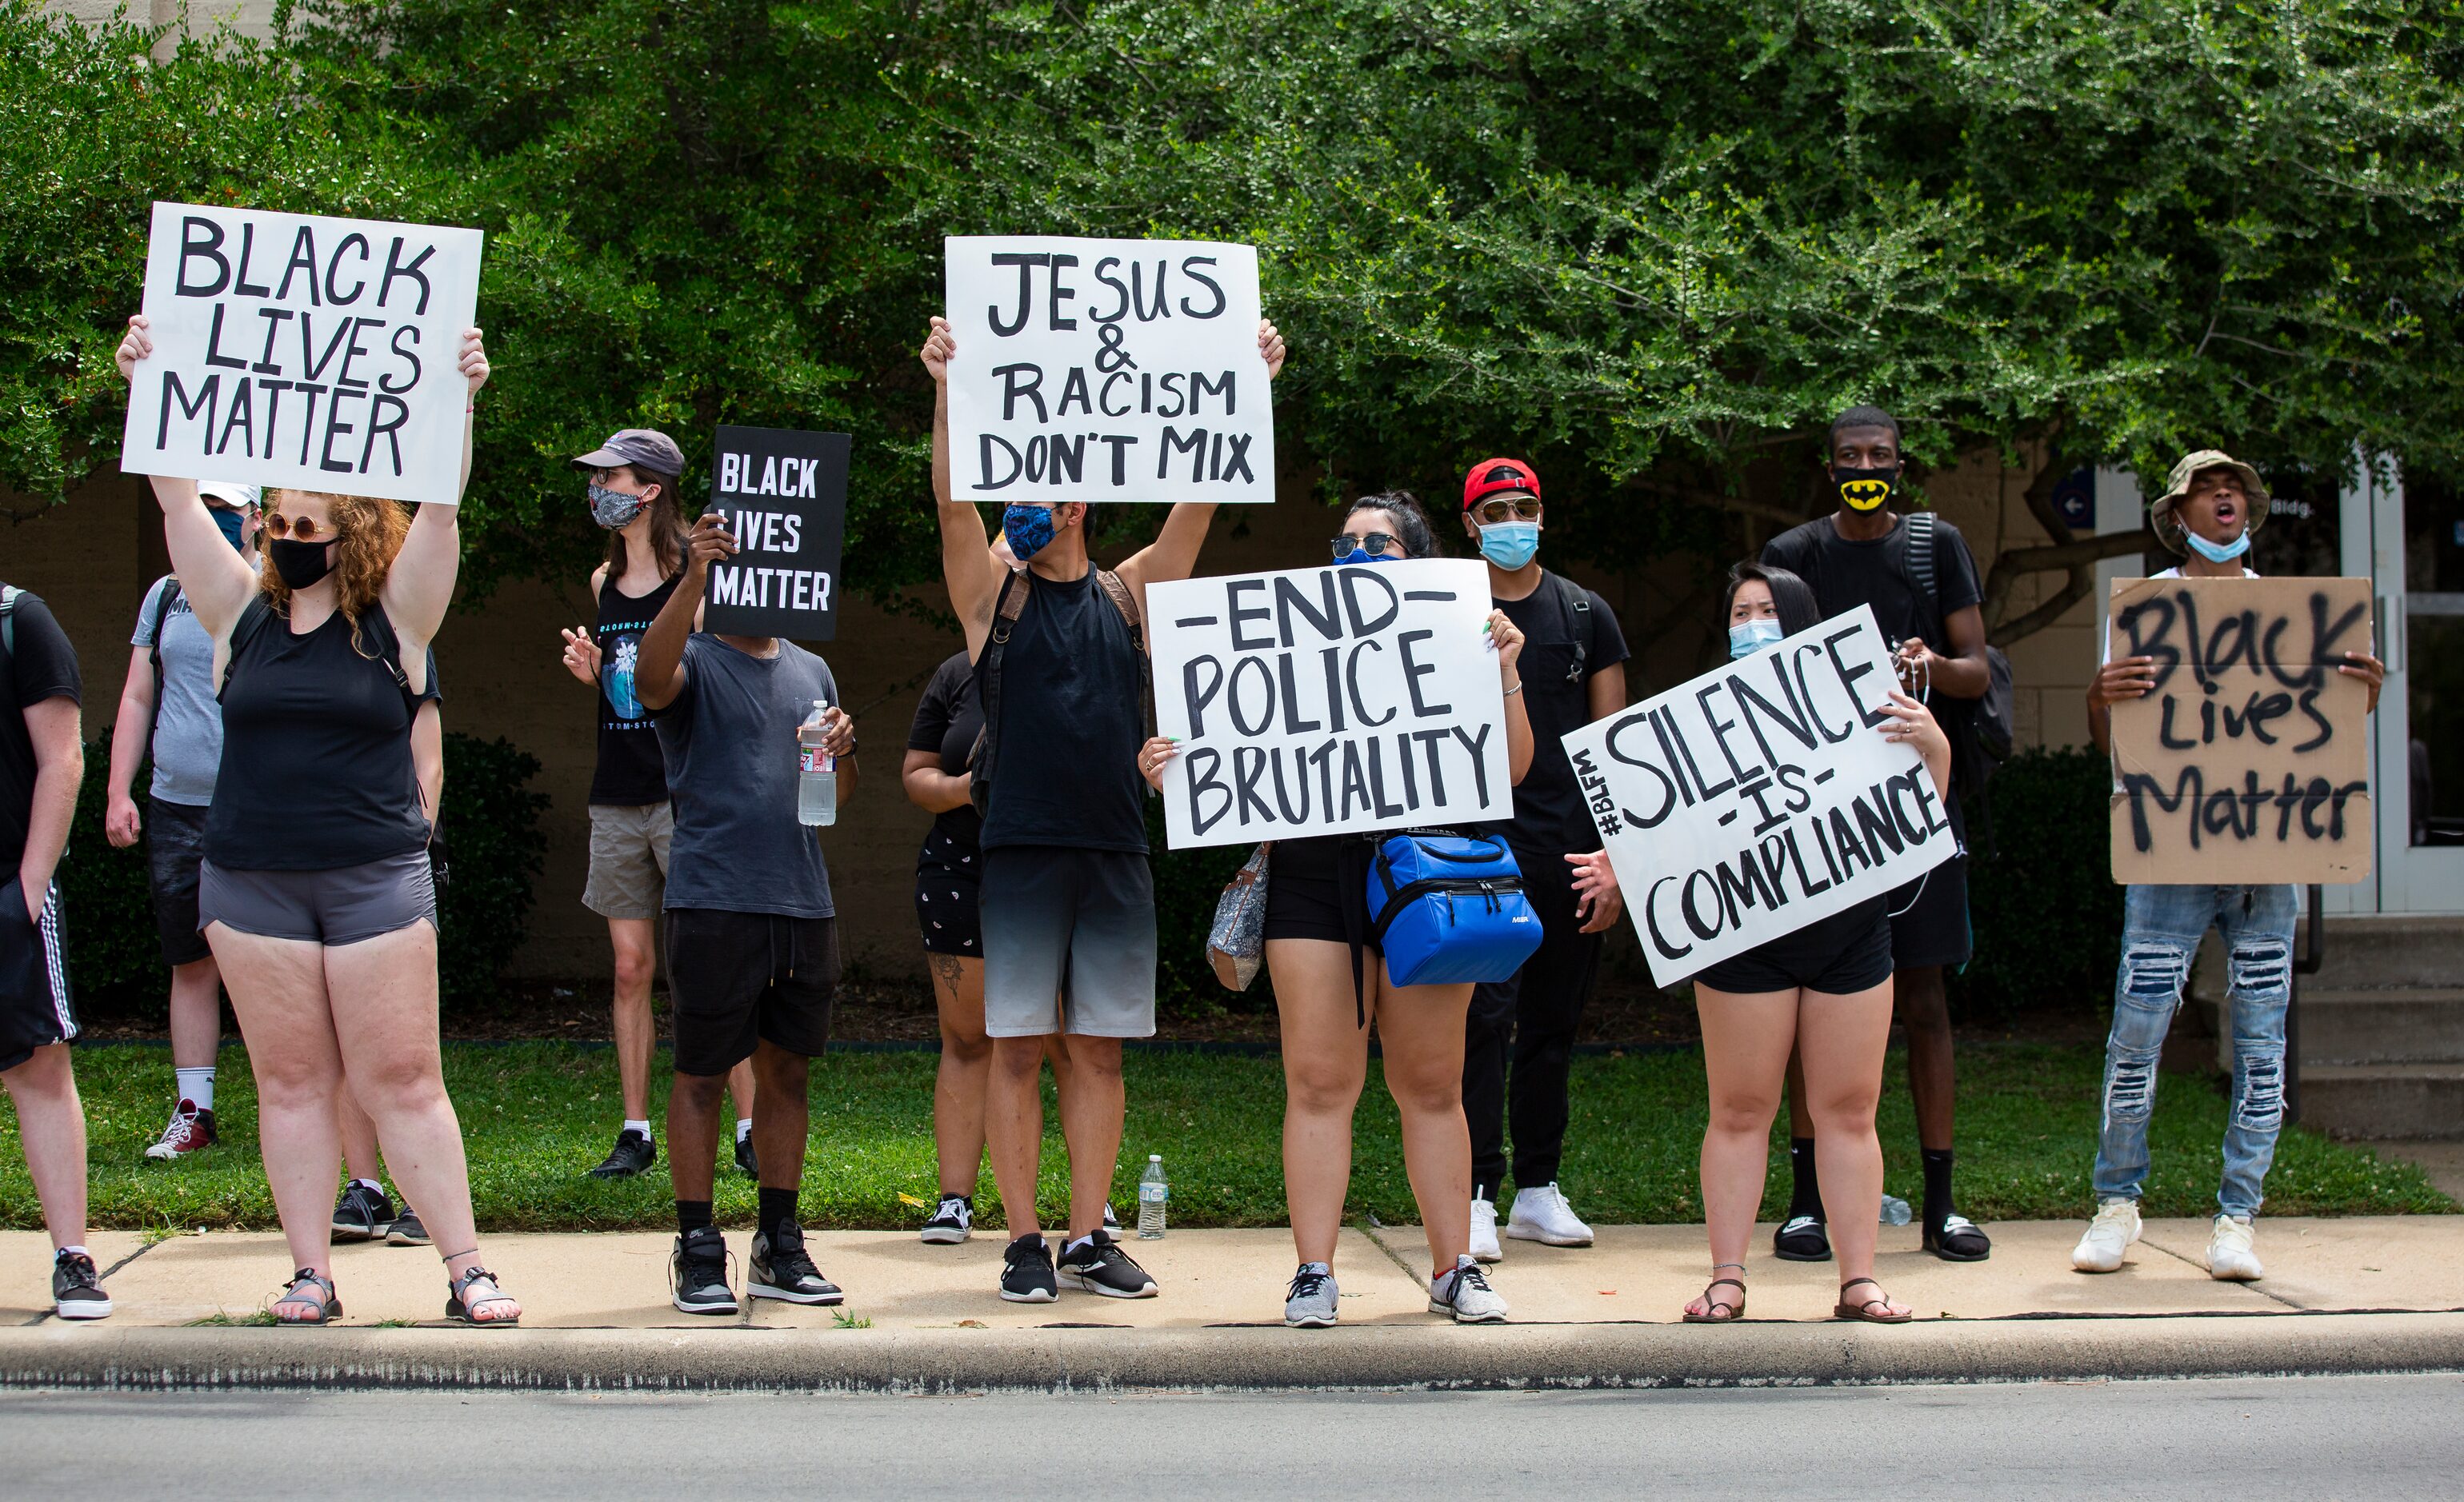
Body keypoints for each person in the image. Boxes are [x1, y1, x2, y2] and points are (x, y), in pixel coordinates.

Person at [114, 313, 518, 1328]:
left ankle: (466, 1268)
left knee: (402, 1078)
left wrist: (456, 400)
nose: (284, 542)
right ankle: (311, 1274)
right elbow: (172, 496)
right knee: (292, 1082)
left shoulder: (398, 623)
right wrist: (148, 378)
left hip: (374, 875)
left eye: (304, 529)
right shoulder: (234, 616)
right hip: (249, 880)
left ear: (350, 535)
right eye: (275, 527)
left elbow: (441, 512)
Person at [919, 311, 1286, 1304]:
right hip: (1023, 851)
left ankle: (1088, 1236)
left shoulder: (1129, 598)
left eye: (1034, 489)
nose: (1016, 506)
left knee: (1098, 1051)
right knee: (1017, 1047)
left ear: (1075, 502)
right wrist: (947, 391)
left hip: (1117, 851)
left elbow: (1193, 515)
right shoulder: (990, 600)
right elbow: (952, 503)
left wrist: (1245, 382)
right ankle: (1023, 1241)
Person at [1142, 493, 1536, 1326]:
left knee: (1431, 1084)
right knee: (1319, 1081)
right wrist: (1173, 766)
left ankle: (1451, 1267)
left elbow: (1511, 767)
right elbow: (1229, 743)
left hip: (1424, 874)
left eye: (1379, 543)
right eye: (1345, 542)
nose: (1357, 554)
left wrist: (1504, 669)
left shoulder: (1465, 637)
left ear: (1419, 561)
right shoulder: (1288, 645)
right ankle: (1313, 1271)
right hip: (1311, 876)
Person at [1571, 562, 1944, 1324]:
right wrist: (1623, 865)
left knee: (1850, 1109)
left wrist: (1935, 743)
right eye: (1739, 611)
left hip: (1851, 935)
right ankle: (1727, 1278)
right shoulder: (1695, 724)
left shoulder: (1869, 701)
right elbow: (1670, 824)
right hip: (1743, 938)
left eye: (1767, 609)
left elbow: (1916, 819)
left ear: (1804, 616)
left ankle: (1859, 1281)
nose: (1751, 622)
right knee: (1741, 1108)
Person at [2072, 450, 2384, 1282]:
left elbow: (2319, 741)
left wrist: (2362, 694)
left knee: (2259, 1041)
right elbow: (2115, 749)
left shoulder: (2294, 616)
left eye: (2234, 491)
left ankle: (2235, 1220)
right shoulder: (2143, 613)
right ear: (2176, 516)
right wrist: (2100, 697)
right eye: (2206, 491)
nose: (2223, 500)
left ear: (2248, 513)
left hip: (2262, 861)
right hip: (2167, 856)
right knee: (2134, 1035)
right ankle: (2115, 1203)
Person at [1760, 405, 1994, 1264]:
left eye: (1880, 454)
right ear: (1829, 467)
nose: (1866, 465)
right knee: (1802, 1003)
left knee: (1925, 1003)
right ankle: (1803, 1204)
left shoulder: (1935, 546)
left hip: (1914, 804)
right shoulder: (1792, 558)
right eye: (1850, 455)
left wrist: (1928, 665)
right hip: (1815, 813)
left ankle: (1940, 1204)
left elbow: (1977, 668)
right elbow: (1756, 678)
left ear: (1901, 464)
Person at [634, 508, 858, 1315]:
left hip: (800, 900)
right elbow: (644, 682)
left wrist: (839, 751)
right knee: (699, 1075)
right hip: (713, 899)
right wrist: (691, 573)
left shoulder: (811, 670)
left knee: (787, 1073)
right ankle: (698, 1247)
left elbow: (837, 797)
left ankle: (779, 1243)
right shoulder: (691, 657)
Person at [558, 432, 759, 1182]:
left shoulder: (697, 576)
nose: (597, 489)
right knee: (630, 967)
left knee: (713, 965)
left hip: (688, 796)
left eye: (608, 476)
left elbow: (711, 682)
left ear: (648, 489)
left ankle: (747, 1127)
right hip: (616, 795)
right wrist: (594, 677)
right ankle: (635, 1130)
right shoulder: (602, 577)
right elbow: (629, 685)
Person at [1453, 458, 1630, 1261]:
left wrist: (1613, 858)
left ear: (1543, 514)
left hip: (1568, 850)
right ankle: (1475, 1192)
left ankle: (1537, 1188)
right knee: (1482, 1020)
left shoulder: (1586, 614)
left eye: (1522, 506)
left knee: (1552, 1022)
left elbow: (1616, 752)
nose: (1509, 520)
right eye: (1494, 510)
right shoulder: (1445, 611)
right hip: (1481, 846)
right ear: (1470, 526)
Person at [902, 634, 1118, 1245]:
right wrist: (969, 788)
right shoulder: (953, 675)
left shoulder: (1084, 663)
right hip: (960, 870)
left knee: (1064, 1041)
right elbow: (916, 775)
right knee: (970, 1038)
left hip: (1052, 874)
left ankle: (1088, 1208)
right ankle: (955, 1201)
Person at [105, 481, 260, 1161]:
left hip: (257, 806)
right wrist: (119, 791)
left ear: (257, 517)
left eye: (229, 512)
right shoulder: (166, 594)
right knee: (190, 961)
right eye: (207, 510)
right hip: (174, 806)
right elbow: (139, 694)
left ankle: (293, 1104)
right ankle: (194, 1111)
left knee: (266, 963)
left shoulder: (277, 591)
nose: (218, 522)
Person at [0, 579, 110, 1317]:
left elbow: (62, 760)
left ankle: (72, 1256)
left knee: (37, 1069)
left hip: (8, 886)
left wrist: (29, 884)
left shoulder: (20, 621)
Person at [332, 671, 446, 1248]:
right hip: (319, 862)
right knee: (339, 1037)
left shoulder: (402, 637)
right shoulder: (288, 636)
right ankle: (364, 1187)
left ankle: (421, 1197)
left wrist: (406, 854)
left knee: (402, 1043)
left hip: (391, 865)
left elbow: (428, 765)